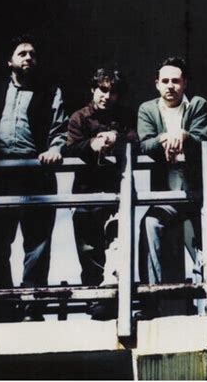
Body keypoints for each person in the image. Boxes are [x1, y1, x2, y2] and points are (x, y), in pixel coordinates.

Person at [0, 34, 68, 321]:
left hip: (36, 172)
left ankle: (32, 308)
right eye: (22, 53)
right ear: (10, 61)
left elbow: (59, 129)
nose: (28, 58)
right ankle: (0, 306)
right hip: (2, 173)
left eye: (32, 54)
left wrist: (55, 149)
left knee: (37, 243)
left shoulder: (50, 92)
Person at [137, 56, 207, 318]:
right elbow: (144, 144)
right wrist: (166, 138)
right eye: (165, 81)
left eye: (176, 81)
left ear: (184, 83)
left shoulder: (198, 104)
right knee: (149, 224)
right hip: (167, 193)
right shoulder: (147, 109)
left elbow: (201, 139)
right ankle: (152, 301)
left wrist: (184, 135)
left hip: (197, 193)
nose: (170, 86)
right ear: (157, 84)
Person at [67, 68, 138, 319]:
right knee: (88, 250)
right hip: (85, 193)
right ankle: (95, 301)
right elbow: (70, 148)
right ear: (93, 89)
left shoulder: (126, 116)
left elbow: (136, 140)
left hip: (117, 192)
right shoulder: (79, 117)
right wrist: (91, 144)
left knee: (117, 246)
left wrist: (115, 136)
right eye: (103, 89)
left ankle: (113, 299)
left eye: (113, 92)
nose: (107, 96)